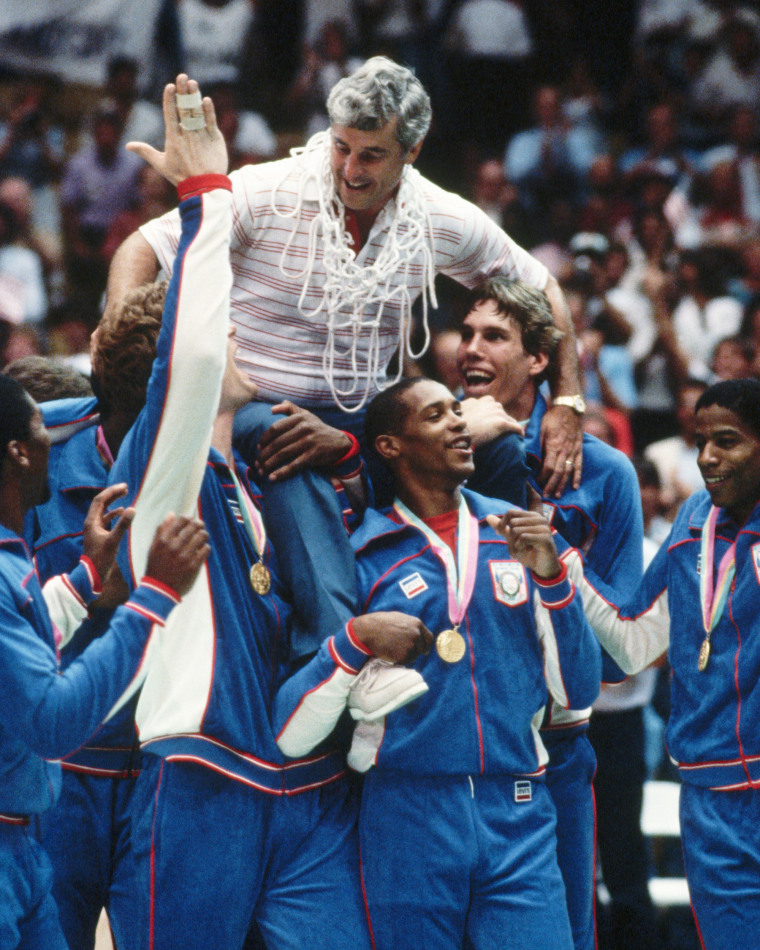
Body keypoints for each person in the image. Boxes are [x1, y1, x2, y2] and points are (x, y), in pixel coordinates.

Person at [105, 55, 585, 659]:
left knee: (498, 446)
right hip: (255, 404)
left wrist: (568, 399)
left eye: (370, 155)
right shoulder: (270, 189)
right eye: (341, 148)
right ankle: (337, 649)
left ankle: (504, 616)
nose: (349, 169)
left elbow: (544, 286)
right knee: (288, 443)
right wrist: (119, 342)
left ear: (411, 151)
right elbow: (141, 248)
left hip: (363, 415)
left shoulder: (438, 214)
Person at [102, 72, 410, 950]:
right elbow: (193, 353)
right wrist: (206, 194)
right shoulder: (162, 469)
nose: (240, 337)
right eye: (227, 328)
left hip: (306, 789)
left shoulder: (261, 474)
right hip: (202, 776)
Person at [274, 376, 601, 950]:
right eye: (435, 415)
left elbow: (578, 691)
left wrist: (552, 580)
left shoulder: (520, 534)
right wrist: (354, 640)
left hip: (518, 809)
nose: (457, 422)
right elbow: (290, 730)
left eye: (457, 410)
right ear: (390, 447)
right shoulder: (360, 555)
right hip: (406, 813)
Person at [455, 277, 644, 950]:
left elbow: (622, 655)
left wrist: (547, 549)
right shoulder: (422, 440)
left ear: (540, 360)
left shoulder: (605, 473)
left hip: (553, 749)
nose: (470, 349)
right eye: (467, 333)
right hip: (439, 750)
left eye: (494, 337)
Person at [0, 370, 208, 950]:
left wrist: (89, 576)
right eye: (43, 429)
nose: (53, 442)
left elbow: (21, 637)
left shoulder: (10, 559)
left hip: (22, 844)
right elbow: (52, 721)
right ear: (18, 453)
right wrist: (155, 597)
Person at [575, 378, 760, 950]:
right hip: (711, 792)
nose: (707, 458)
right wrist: (563, 571)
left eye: (727, 441)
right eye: (700, 441)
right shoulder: (692, 522)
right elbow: (631, 644)